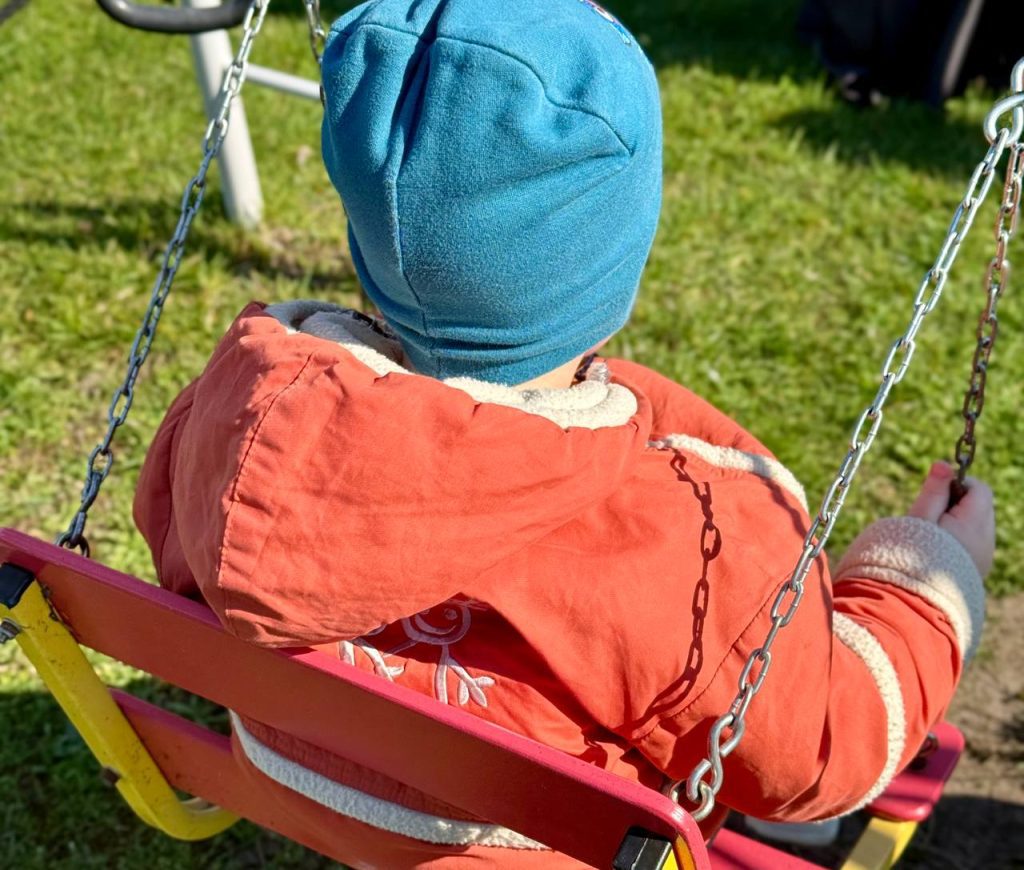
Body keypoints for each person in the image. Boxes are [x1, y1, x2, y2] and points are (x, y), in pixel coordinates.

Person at [132, 0, 992, 866]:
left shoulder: (238, 415)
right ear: (615, 260)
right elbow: (822, 755)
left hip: (297, 775)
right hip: (536, 848)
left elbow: (179, 563)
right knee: (752, 717)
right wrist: (923, 576)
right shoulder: (668, 538)